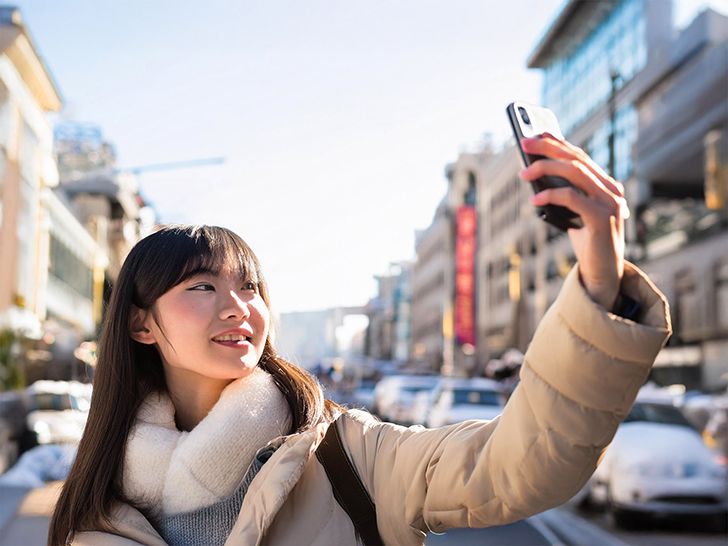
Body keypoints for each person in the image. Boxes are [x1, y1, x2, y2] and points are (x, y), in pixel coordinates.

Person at [49, 135, 671, 546]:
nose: (238, 307)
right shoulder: (100, 494)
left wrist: (599, 279)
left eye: (251, 287)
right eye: (201, 288)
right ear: (140, 323)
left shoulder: (348, 454)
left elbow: (521, 462)